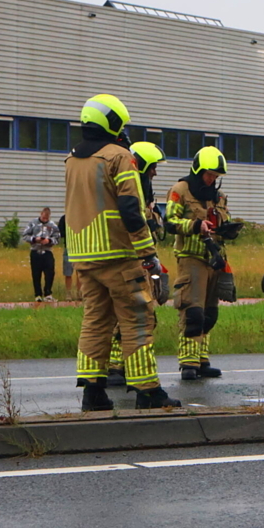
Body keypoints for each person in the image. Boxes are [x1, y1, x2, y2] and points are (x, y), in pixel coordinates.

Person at [64, 93, 180, 411]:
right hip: (118, 253)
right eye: (121, 124)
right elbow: (131, 209)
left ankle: (93, 393)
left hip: (83, 255)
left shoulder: (72, 159)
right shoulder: (119, 156)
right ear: (112, 122)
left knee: (95, 321)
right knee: (138, 318)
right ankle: (148, 391)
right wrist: (148, 253)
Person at [166, 146, 233, 381]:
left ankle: (203, 360)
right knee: (192, 312)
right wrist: (195, 226)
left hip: (214, 259)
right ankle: (188, 363)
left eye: (216, 176)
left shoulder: (219, 196)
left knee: (209, 313)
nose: (212, 179)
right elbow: (170, 222)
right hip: (191, 258)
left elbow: (224, 219)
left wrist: (228, 230)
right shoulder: (180, 190)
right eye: (209, 175)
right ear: (198, 170)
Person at [107, 141, 167, 387]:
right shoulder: (128, 194)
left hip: (140, 261)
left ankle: (119, 367)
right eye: (152, 167)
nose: (155, 172)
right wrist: (148, 255)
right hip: (130, 261)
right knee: (132, 315)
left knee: (136, 314)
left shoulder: (143, 194)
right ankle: (116, 368)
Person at [21, 207, 59, 302]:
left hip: (47, 252)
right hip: (35, 251)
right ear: (40, 214)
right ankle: (38, 294)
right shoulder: (32, 223)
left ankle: (48, 293)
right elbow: (25, 236)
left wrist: (49, 241)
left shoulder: (53, 225)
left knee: (50, 273)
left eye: (46, 218)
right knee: (36, 274)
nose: (45, 220)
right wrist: (34, 239)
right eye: (43, 218)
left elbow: (57, 238)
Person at [57, 213, 81, 302]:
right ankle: (68, 293)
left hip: (79, 248)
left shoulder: (80, 217)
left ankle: (79, 292)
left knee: (80, 272)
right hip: (69, 248)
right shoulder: (64, 218)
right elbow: (60, 232)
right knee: (68, 272)